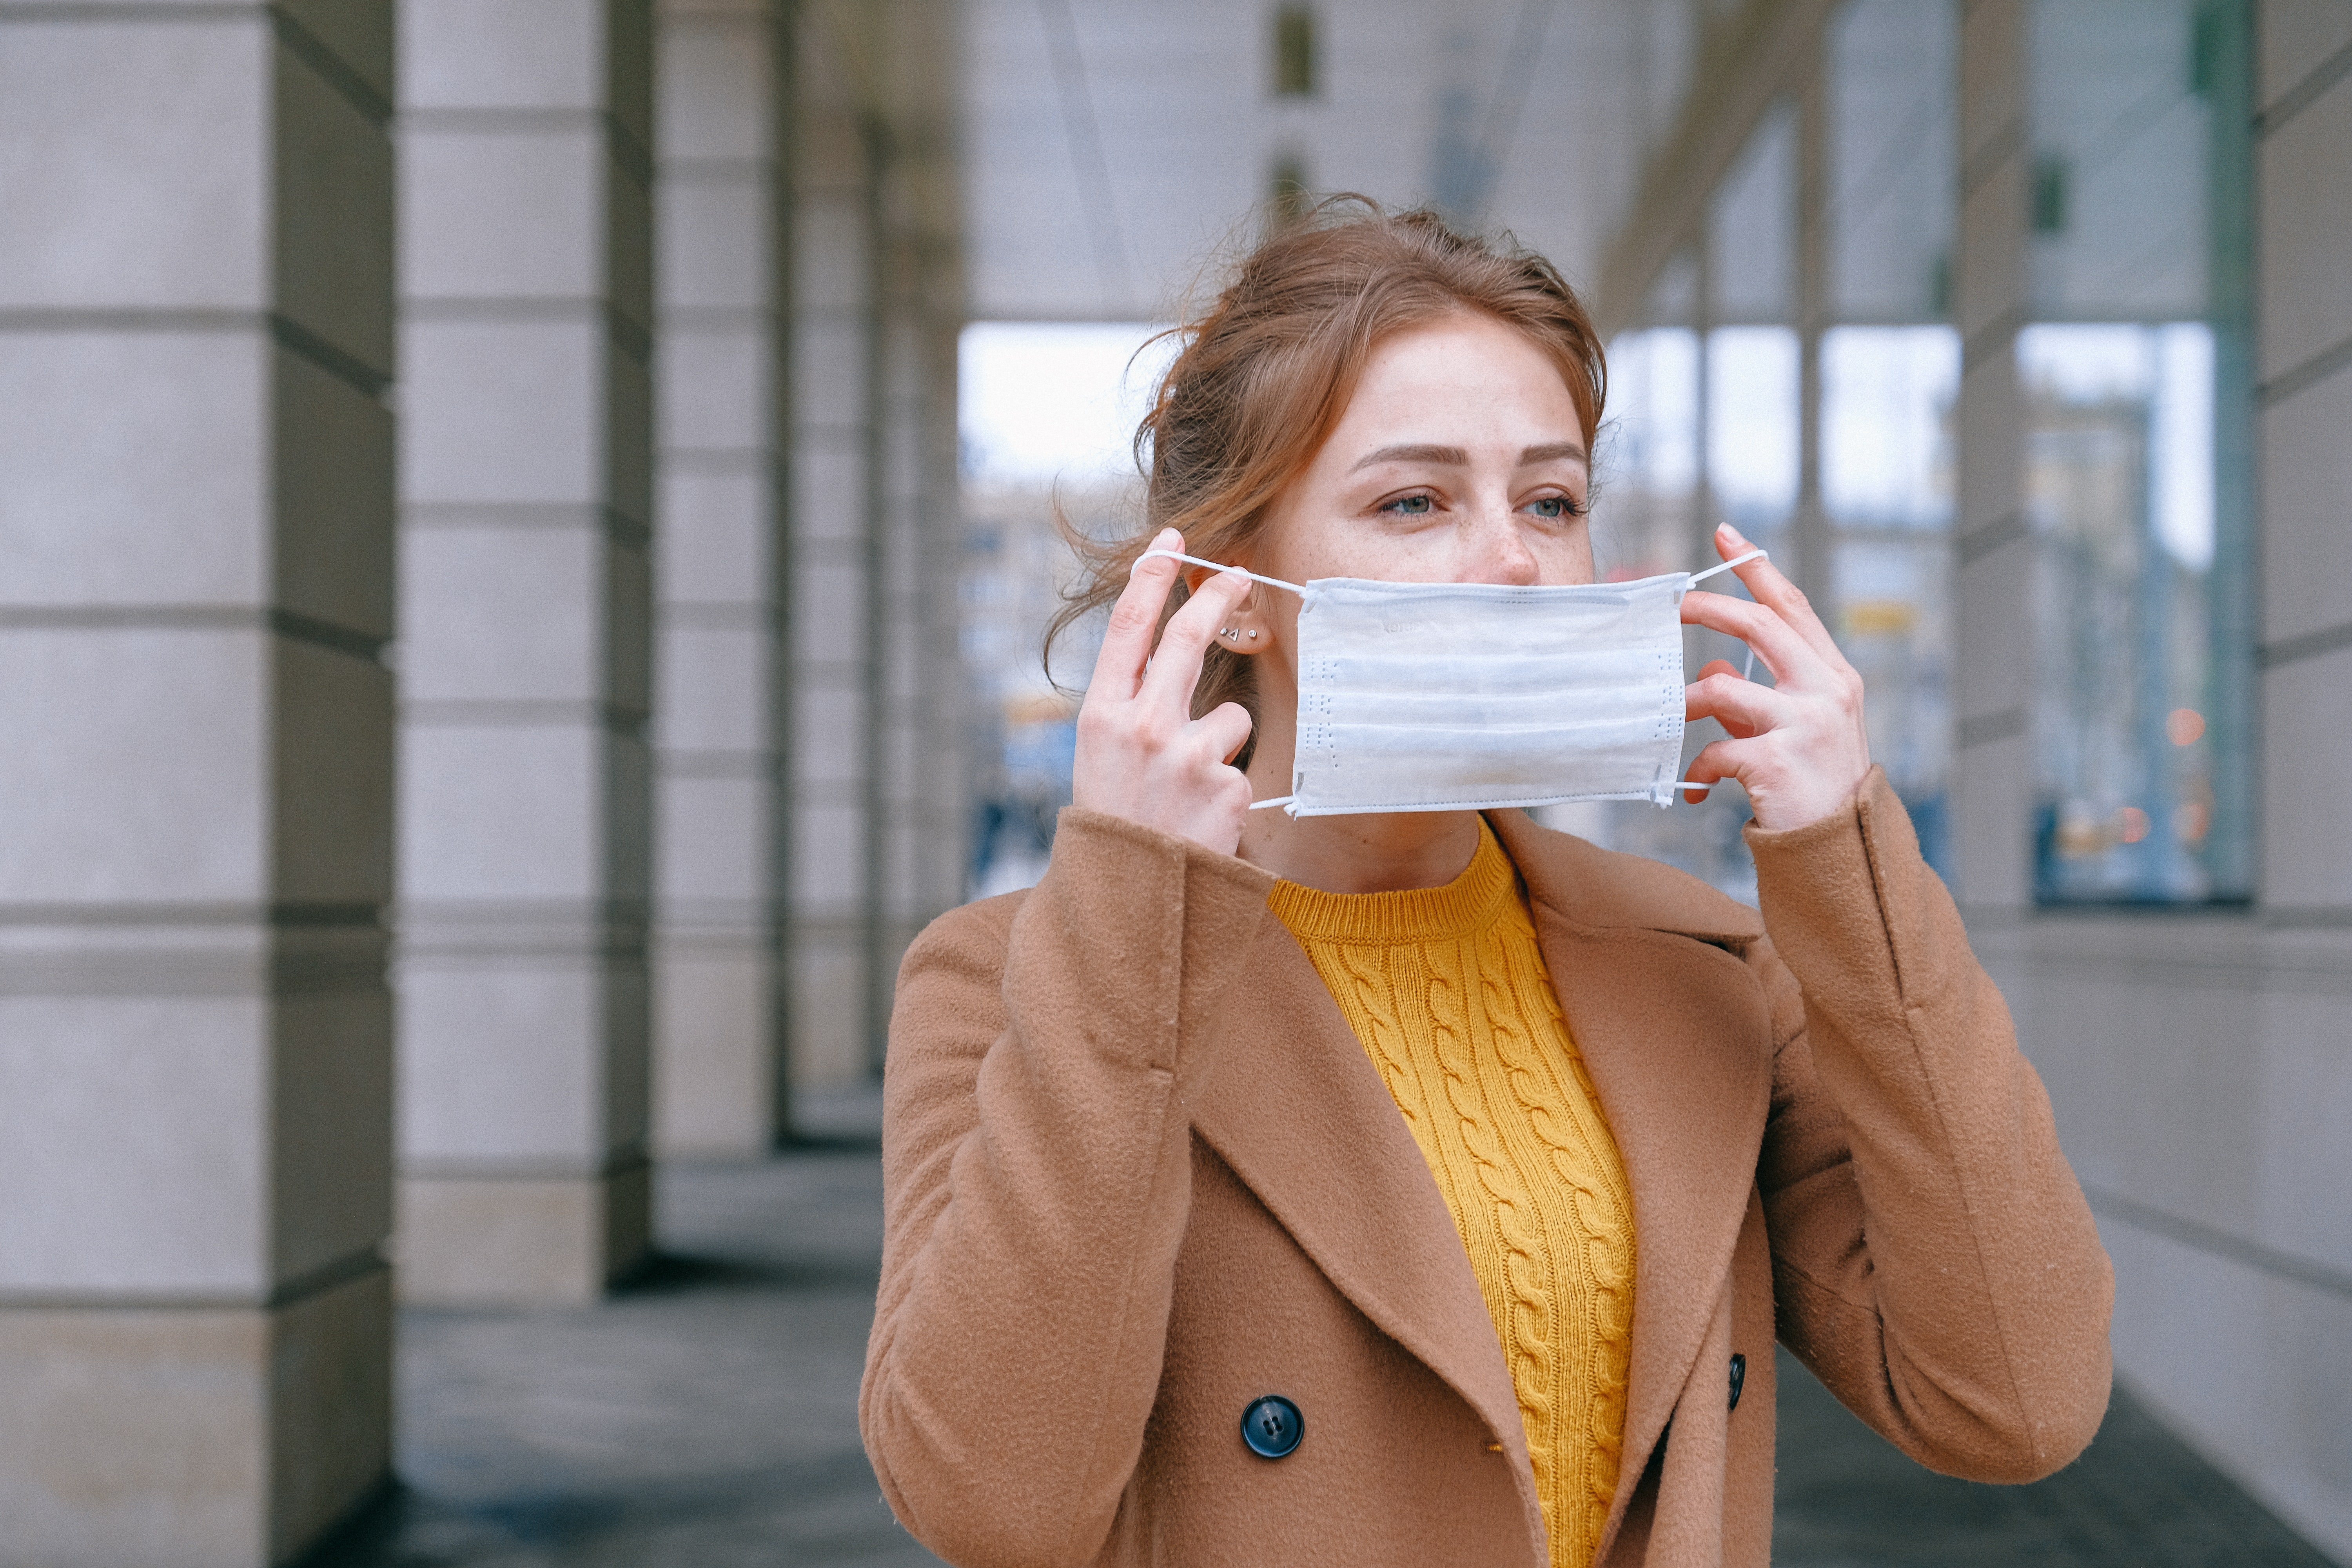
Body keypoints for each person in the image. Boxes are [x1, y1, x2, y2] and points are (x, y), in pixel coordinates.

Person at [860, 200, 2111, 1568]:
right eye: (1414, 501)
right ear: (1239, 588)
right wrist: (1128, 908)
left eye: (1552, 502)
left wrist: (1849, 870)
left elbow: (2018, 1403)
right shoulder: (1009, 980)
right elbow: (991, 1504)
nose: (1515, 561)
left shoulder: (1705, 964)